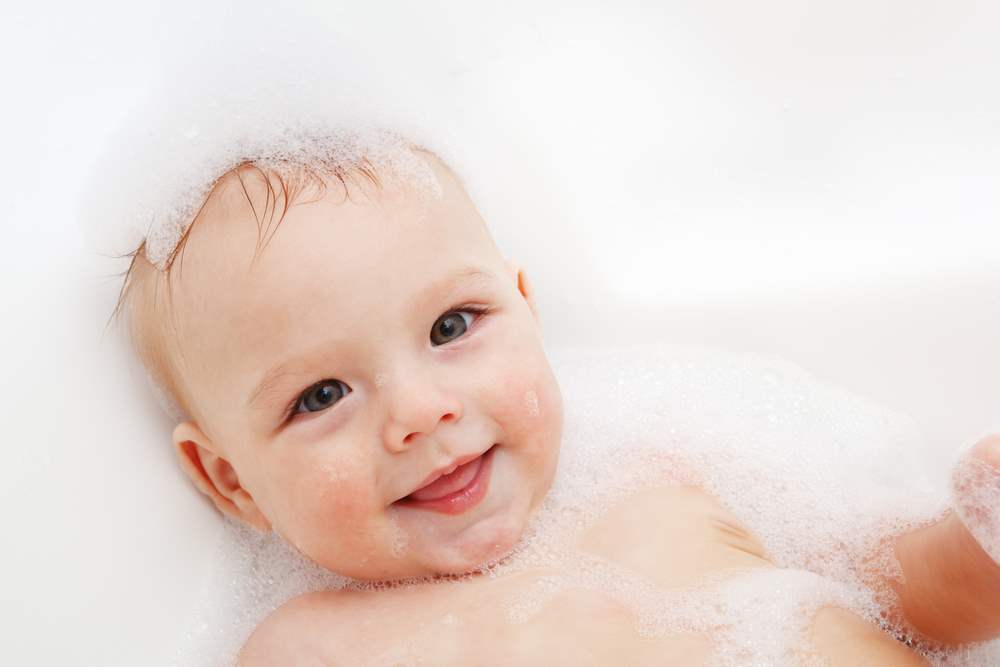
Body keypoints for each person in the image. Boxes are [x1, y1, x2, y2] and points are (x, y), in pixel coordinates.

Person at [114, 140, 1000, 665]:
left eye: (453, 324)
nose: (421, 412)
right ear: (231, 481)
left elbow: (918, 599)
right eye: (322, 394)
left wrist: (982, 539)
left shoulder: (671, 474)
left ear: (527, 309)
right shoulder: (311, 647)